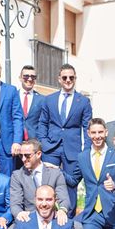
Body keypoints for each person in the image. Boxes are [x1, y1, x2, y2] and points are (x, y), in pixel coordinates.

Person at [37, 64, 92, 216]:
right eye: (65, 77)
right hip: (51, 148)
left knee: (70, 186)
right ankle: (47, 221)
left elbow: (87, 128)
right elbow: (42, 122)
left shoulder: (83, 101)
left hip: (73, 150)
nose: (68, 80)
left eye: (71, 77)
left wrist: (86, 151)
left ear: (75, 79)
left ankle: (68, 222)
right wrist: (43, 142)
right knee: (47, 184)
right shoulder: (49, 100)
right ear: (59, 79)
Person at [10, 139, 70, 227]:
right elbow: (15, 203)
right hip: (29, 219)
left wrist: (62, 210)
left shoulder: (55, 173)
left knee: (77, 228)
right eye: (21, 156)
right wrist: (19, 213)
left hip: (52, 218)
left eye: (27, 156)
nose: (23, 159)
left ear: (38, 154)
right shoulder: (17, 176)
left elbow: (64, 198)